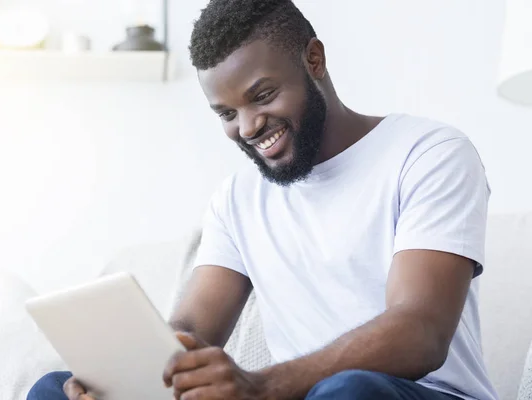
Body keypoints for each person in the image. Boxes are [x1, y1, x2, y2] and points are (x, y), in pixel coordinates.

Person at [28, 0, 499, 399]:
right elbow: (193, 329)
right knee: (55, 389)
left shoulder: (428, 154)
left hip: (415, 393)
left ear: (314, 60)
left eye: (264, 95)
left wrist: (260, 387)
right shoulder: (237, 199)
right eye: (228, 113)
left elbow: (421, 332)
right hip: (290, 394)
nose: (249, 126)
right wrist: (136, 375)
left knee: (350, 390)